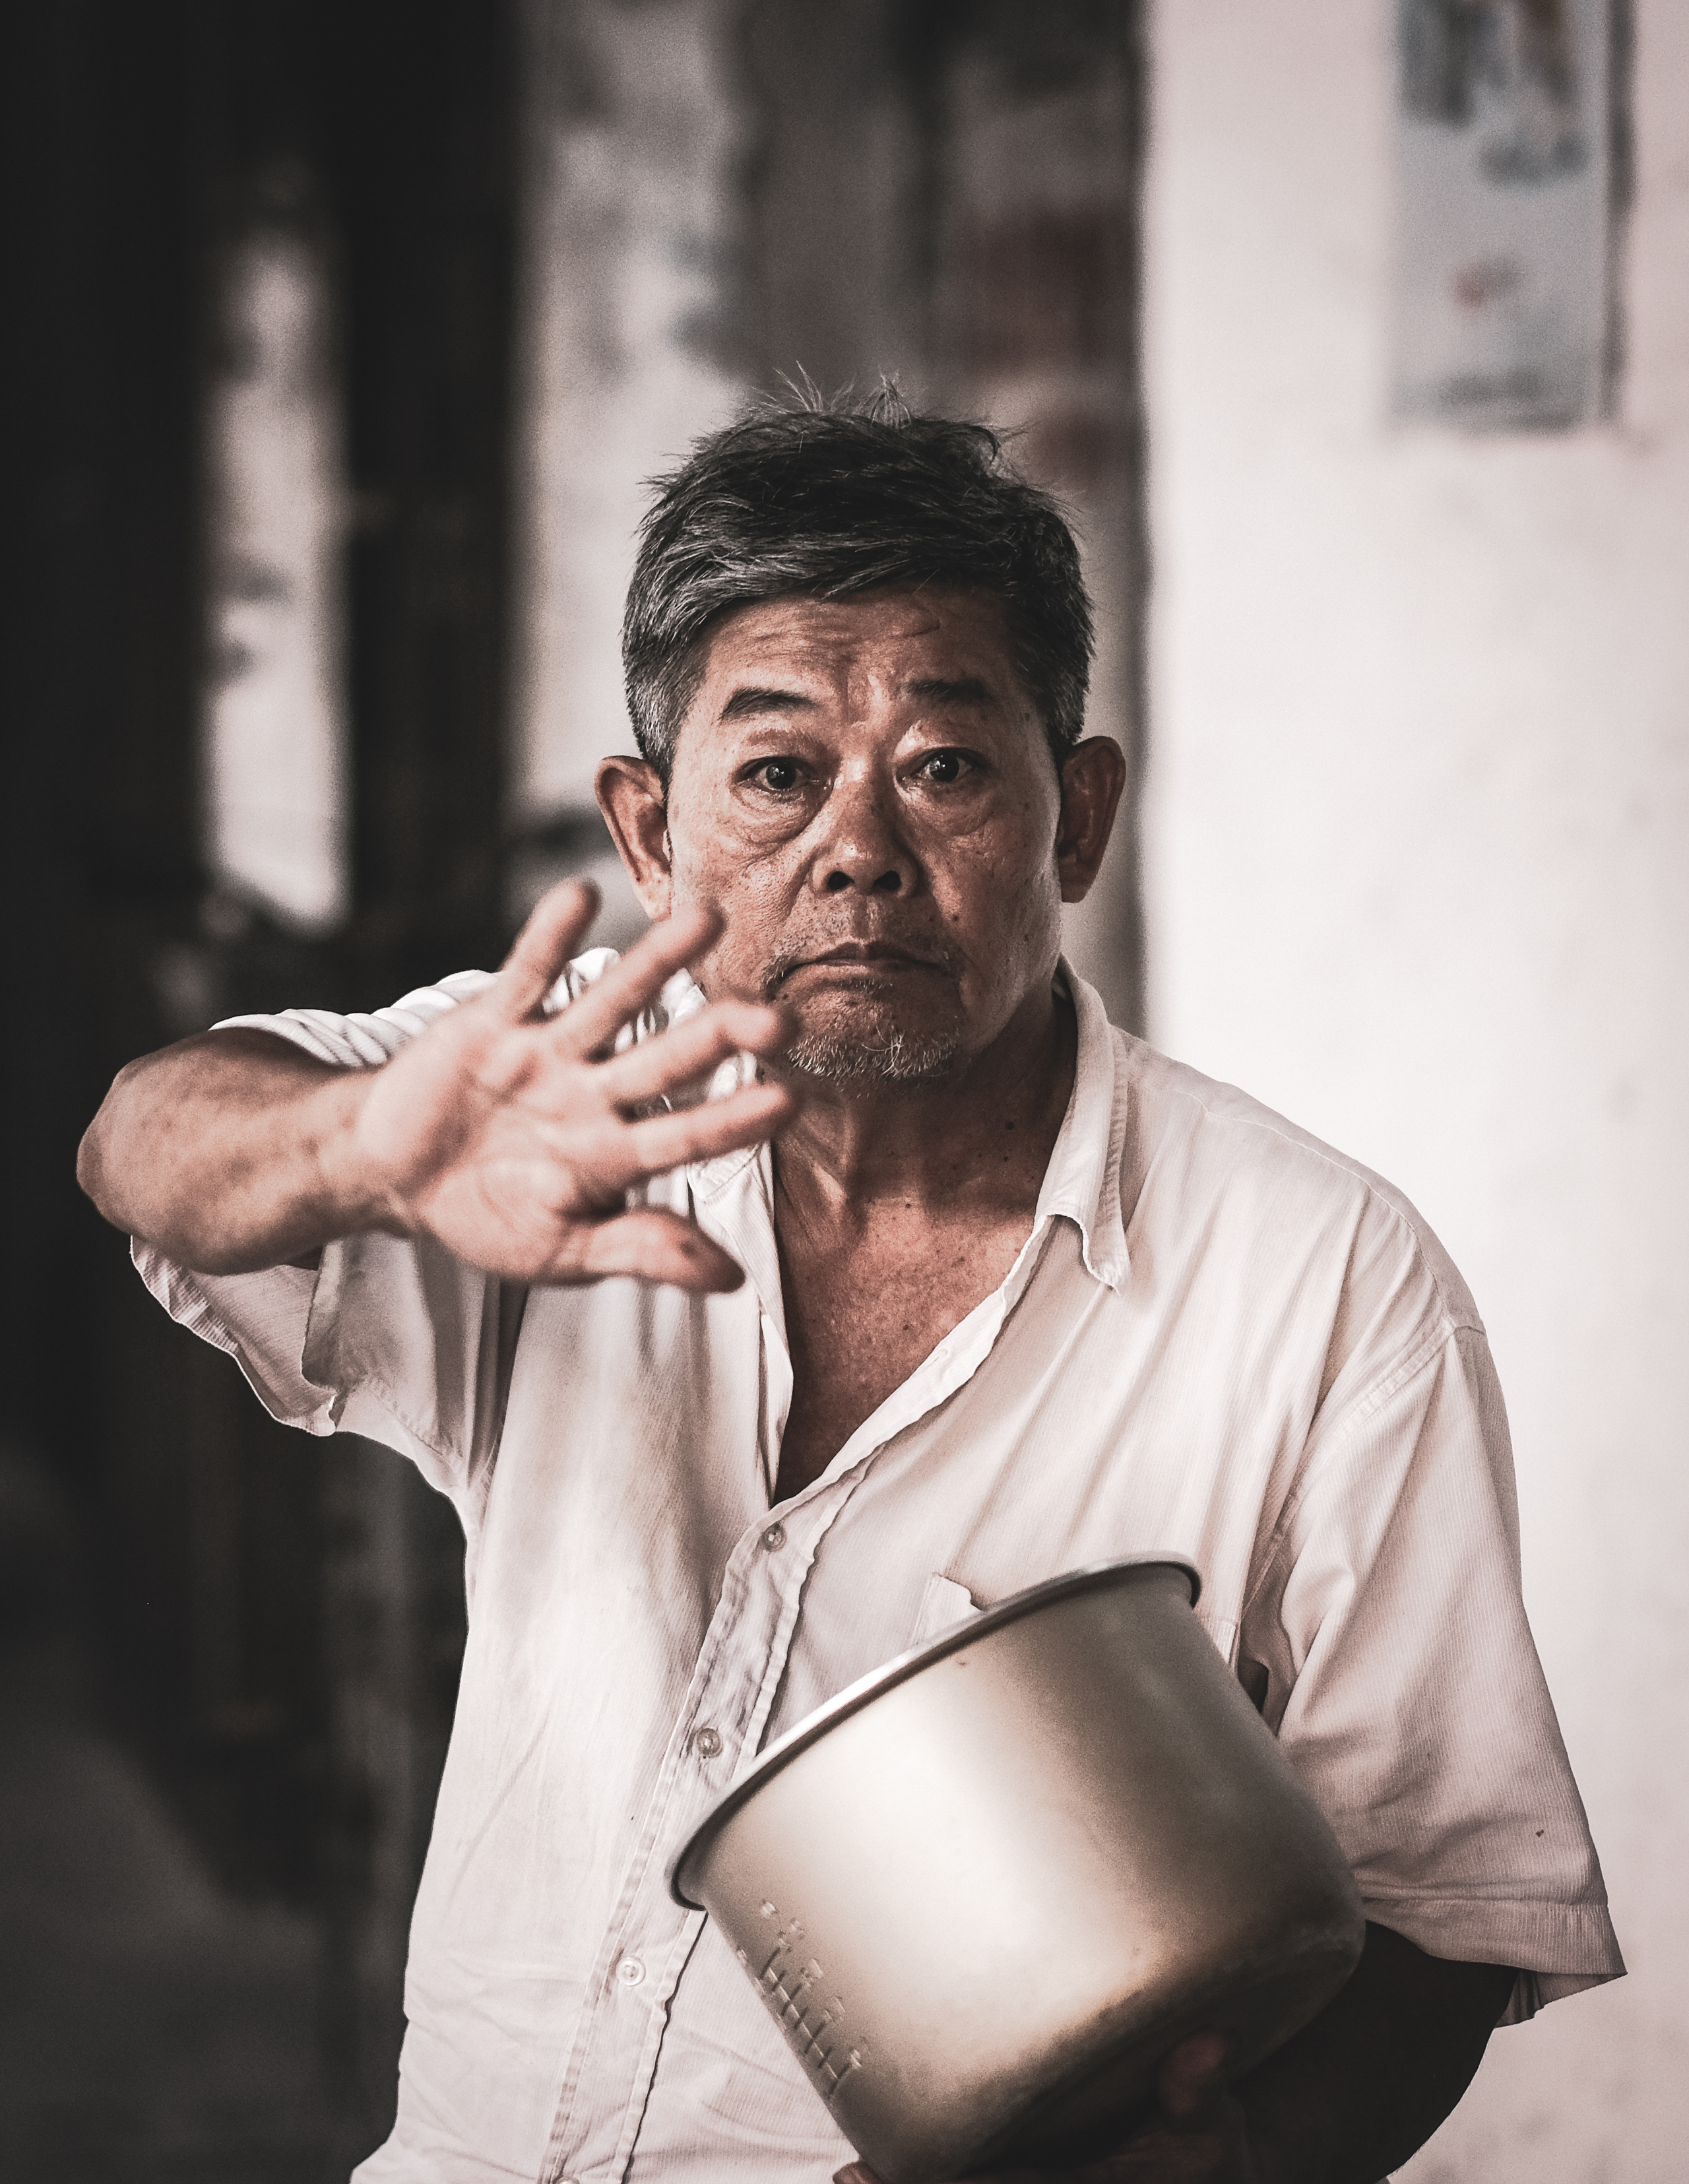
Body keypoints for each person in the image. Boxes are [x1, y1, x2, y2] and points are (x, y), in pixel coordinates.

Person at [79, 395, 1622, 2184]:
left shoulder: (1327, 1280)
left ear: (1080, 819)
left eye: (946, 767)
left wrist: (1242, 2161)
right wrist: (364, 1148)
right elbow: (142, 1144)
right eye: (777, 773)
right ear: (649, 835)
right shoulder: (560, 1096)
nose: (860, 848)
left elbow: (1442, 1905)